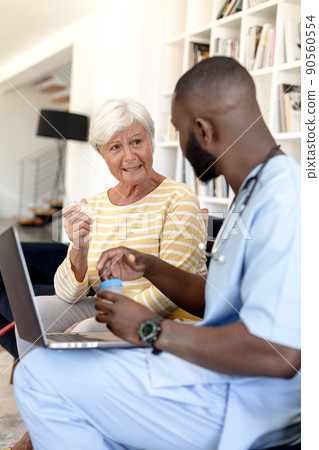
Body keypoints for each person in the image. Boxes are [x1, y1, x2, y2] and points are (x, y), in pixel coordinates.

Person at [13, 57, 300, 450]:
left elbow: (280, 354)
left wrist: (149, 328)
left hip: (240, 402)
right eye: (116, 146)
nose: (177, 144)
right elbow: (215, 302)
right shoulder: (253, 194)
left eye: (177, 131)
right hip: (210, 367)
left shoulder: (286, 201)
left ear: (202, 130)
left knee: (38, 375)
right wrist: (150, 265)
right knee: (55, 367)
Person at [15, 97, 207, 358]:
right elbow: (66, 293)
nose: (130, 156)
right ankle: (39, 389)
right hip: (108, 309)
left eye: (137, 141)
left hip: (166, 319)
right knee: (34, 313)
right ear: (100, 152)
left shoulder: (179, 200)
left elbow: (171, 295)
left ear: (151, 139)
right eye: (115, 147)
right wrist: (79, 249)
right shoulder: (94, 206)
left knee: (85, 331)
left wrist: (102, 320)